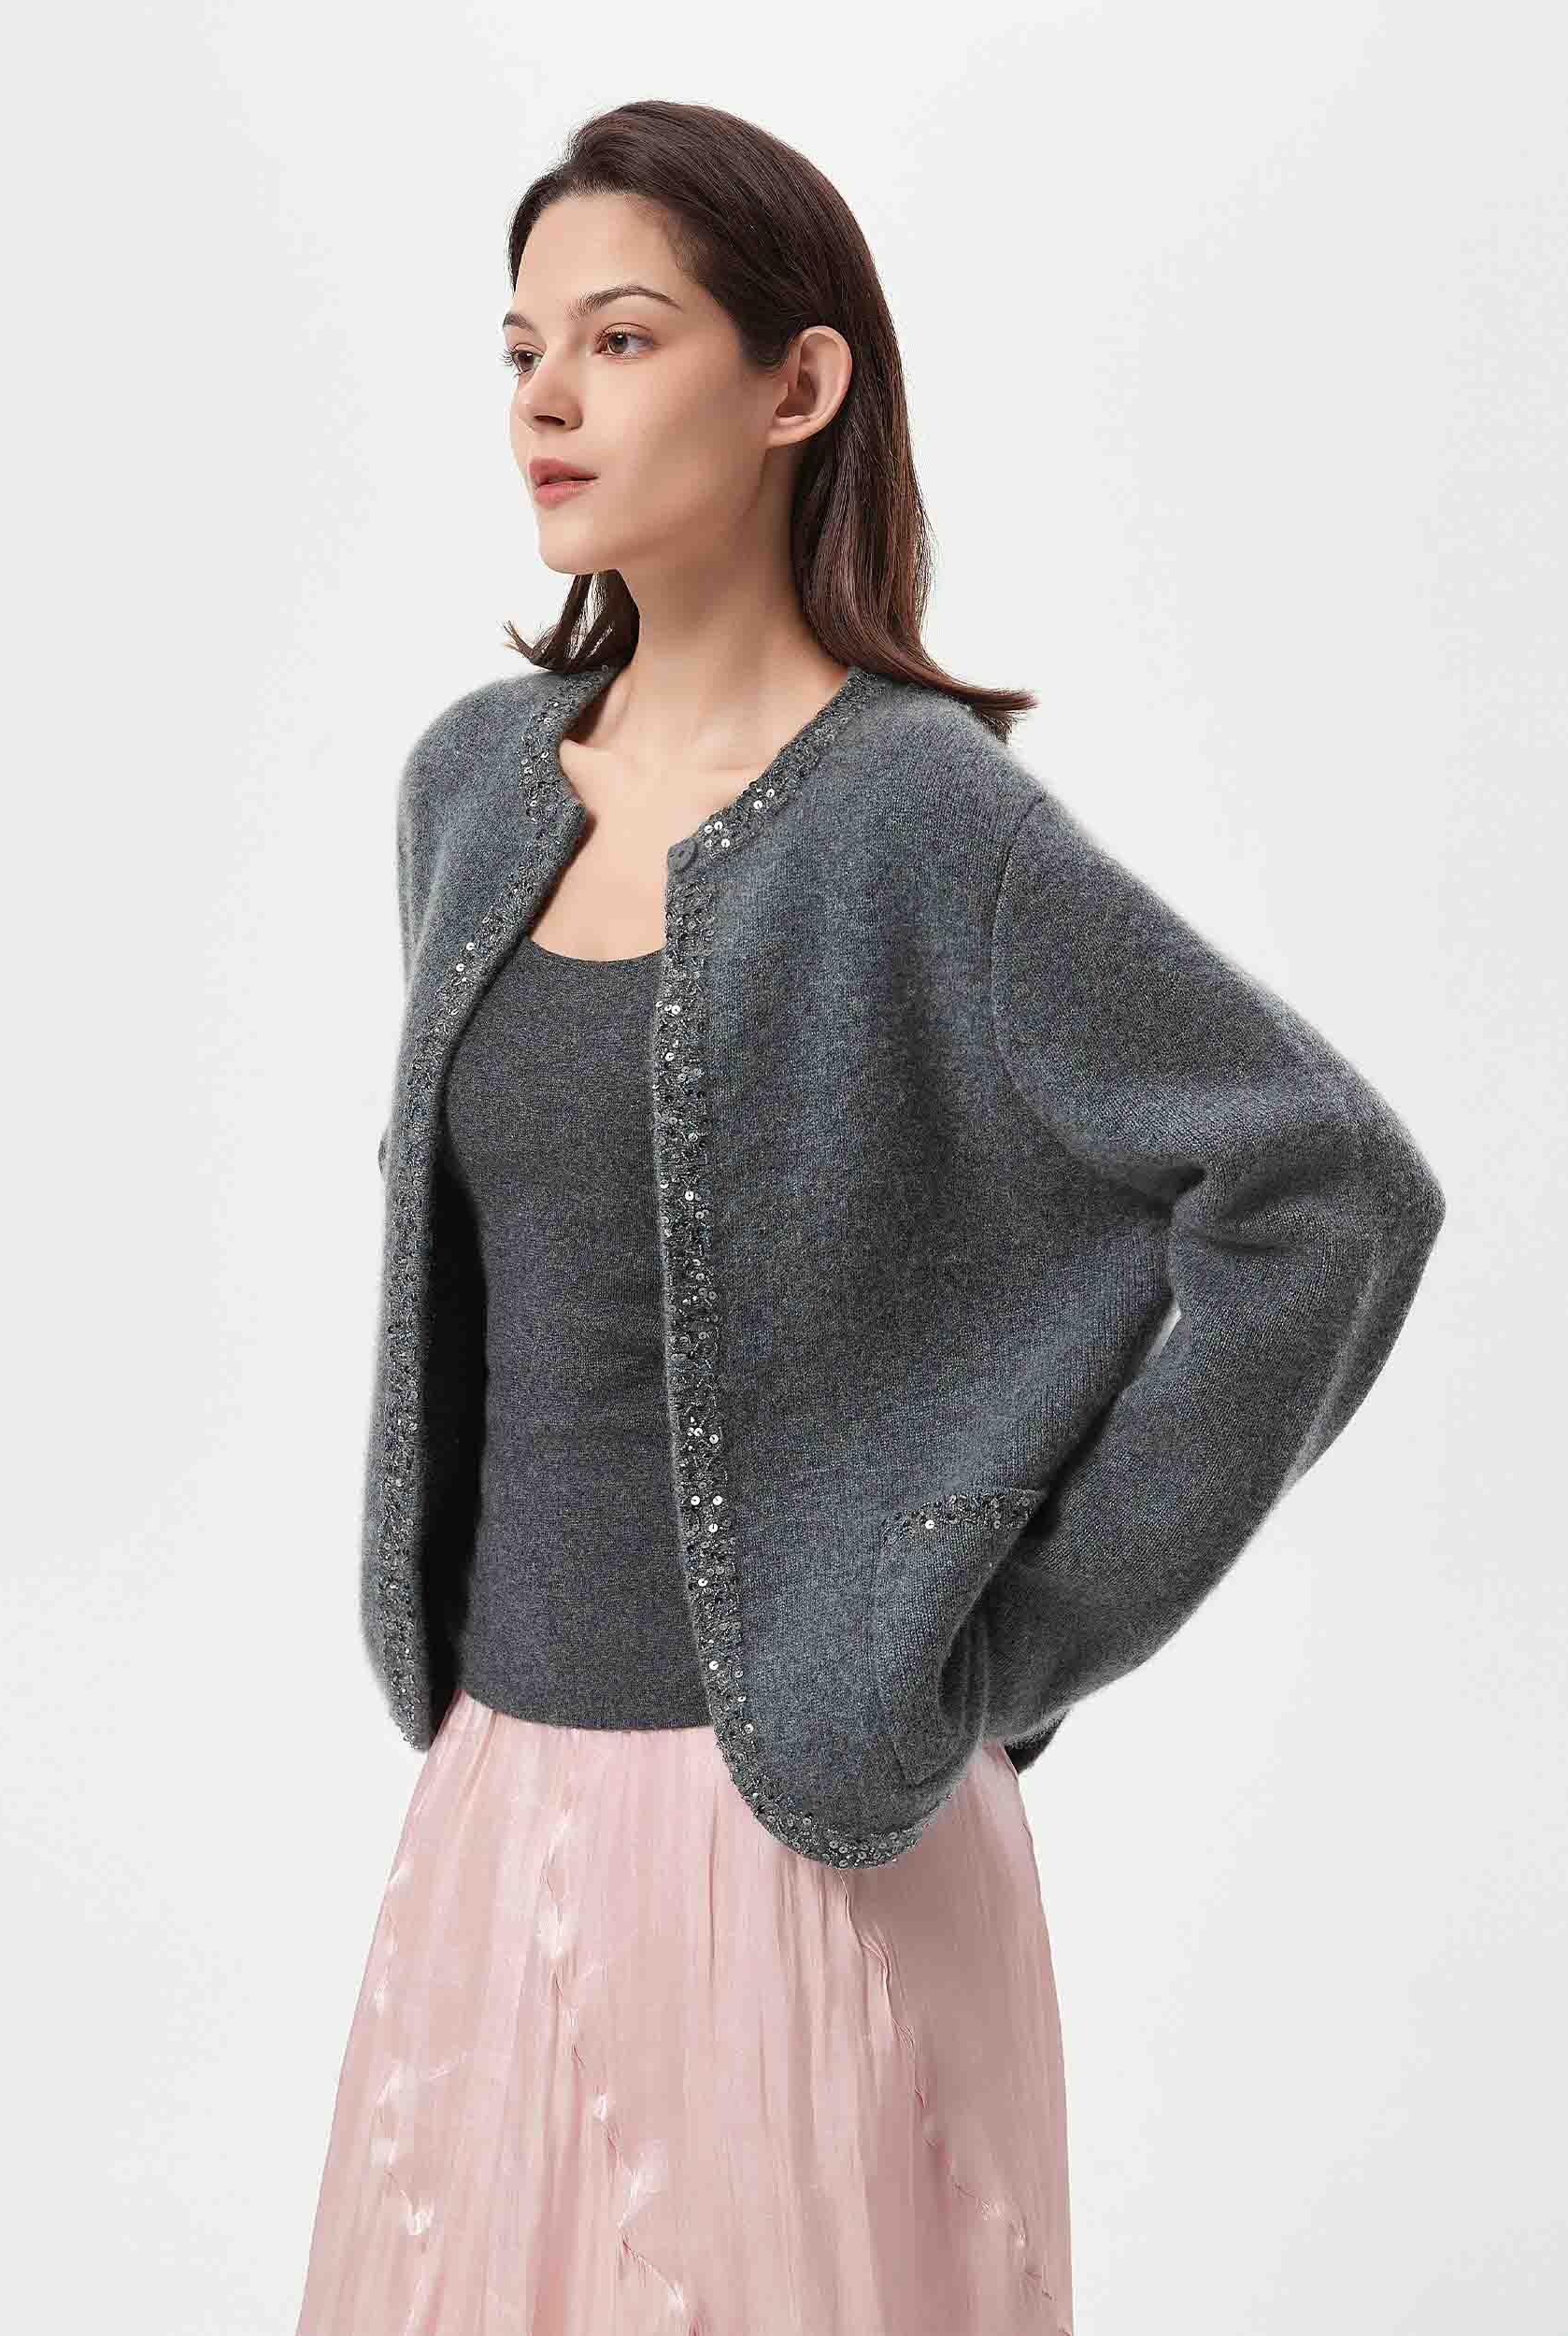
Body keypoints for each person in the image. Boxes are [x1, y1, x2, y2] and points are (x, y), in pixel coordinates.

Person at [294, 100, 1446, 2335]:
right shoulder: (466, 786)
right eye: (520, 347)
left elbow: (1322, 1187)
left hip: (805, 1826)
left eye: (620, 338)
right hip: (496, 1791)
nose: (543, 398)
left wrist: (1009, 1636)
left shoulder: (920, 816)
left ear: (795, 383)